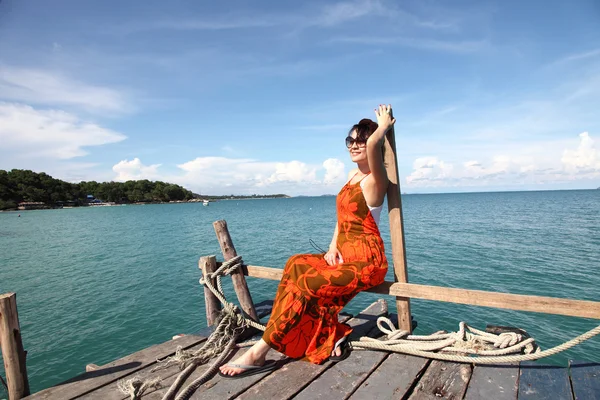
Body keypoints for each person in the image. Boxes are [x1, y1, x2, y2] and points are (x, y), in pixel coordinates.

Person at [219, 104, 395, 378]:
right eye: (350, 140)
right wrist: (333, 245)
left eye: (360, 139)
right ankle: (329, 332)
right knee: (295, 264)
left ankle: (259, 351)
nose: (354, 145)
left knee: (308, 283)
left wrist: (382, 126)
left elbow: (374, 147)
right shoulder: (352, 177)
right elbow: (343, 219)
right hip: (343, 254)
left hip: (366, 262)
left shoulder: (376, 180)